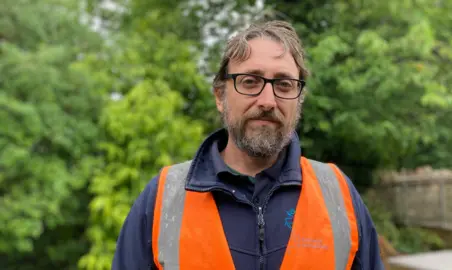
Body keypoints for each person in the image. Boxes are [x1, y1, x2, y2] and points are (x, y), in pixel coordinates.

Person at [112, 20, 385, 270]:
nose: (268, 100)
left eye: (284, 84)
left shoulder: (338, 195)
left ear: (299, 98)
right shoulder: (164, 197)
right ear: (220, 96)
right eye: (250, 82)